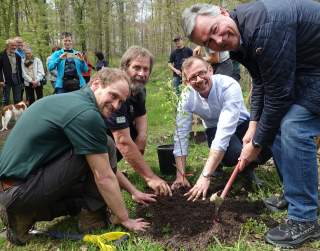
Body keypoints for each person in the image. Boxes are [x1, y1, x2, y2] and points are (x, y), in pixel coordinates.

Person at [182, 1, 320, 248]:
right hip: (307, 67)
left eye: (216, 28)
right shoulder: (241, 38)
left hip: (313, 68)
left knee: (293, 127)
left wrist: (255, 144)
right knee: (276, 127)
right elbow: (260, 82)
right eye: (209, 41)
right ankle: (293, 194)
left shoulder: (265, 28)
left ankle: (304, 218)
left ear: (224, 12)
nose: (219, 40)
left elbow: (278, 96)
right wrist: (255, 124)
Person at [0, 68, 150, 246]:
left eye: (121, 101)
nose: (117, 105)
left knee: (98, 156)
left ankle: (23, 215)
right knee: (106, 145)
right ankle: (91, 218)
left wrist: (133, 191)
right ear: (95, 84)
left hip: (12, 188)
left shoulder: (69, 101)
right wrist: (124, 218)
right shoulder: (86, 115)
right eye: (113, 95)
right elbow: (103, 176)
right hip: (20, 192)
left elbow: (105, 167)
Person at [172, 56, 270, 198]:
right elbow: (181, 134)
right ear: (187, 82)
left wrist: (205, 176)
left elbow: (225, 131)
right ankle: (225, 165)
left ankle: (247, 168)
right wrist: (180, 175)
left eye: (202, 73)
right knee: (234, 154)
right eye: (193, 77)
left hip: (242, 124)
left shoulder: (228, 85)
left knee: (265, 144)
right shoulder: (187, 96)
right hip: (214, 129)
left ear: (210, 70)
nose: (199, 80)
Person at [105, 46, 172, 196]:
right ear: (125, 68)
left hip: (112, 135)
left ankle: (113, 169)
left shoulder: (139, 89)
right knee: (121, 139)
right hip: (91, 141)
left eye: (146, 69)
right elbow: (122, 140)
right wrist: (150, 177)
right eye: (136, 68)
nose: (142, 74)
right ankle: (106, 171)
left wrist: (142, 136)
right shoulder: (115, 91)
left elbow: (141, 113)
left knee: (134, 131)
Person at [0, 39, 23, 106]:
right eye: (12, 45)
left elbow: (20, 69)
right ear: (7, 46)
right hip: (6, 80)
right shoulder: (1, 55)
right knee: (6, 99)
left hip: (17, 79)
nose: (14, 47)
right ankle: (4, 114)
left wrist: (21, 80)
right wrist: (1, 80)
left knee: (17, 99)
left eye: (15, 45)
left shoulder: (18, 56)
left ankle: (17, 114)